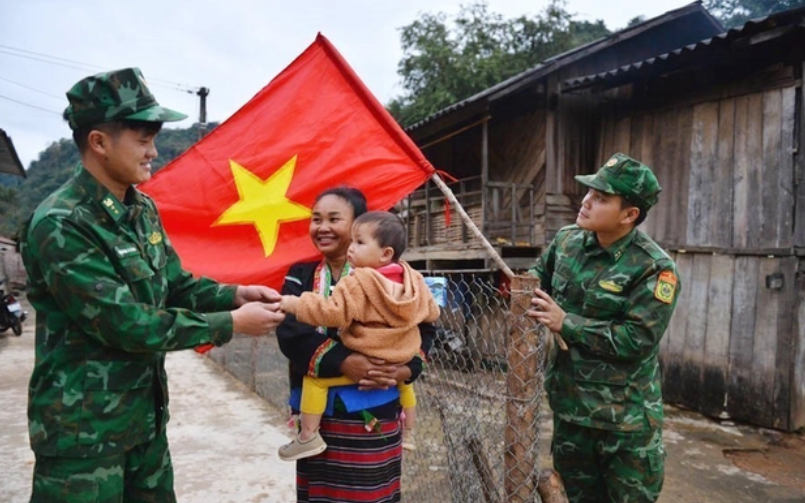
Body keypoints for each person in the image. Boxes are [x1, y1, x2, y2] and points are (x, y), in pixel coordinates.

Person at [19, 67, 286, 503]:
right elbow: (126, 323)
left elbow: (174, 283)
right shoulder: (61, 223)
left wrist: (234, 293)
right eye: (143, 140)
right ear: (99, 143)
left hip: (143, 422)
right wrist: (231, 322)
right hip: (83, 437)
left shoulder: (141, 209)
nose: (154, 152)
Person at [527, 153, 681, 503]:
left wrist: (568, 324)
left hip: (625, 425)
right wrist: (524, 288)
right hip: (571, 414)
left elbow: (637, 339)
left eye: (601, 198)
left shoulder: (654, 268)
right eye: (589, 192)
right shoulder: (567, 242)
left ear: (629, 215)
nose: (586, 201)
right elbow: (540, 276)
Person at [276, 187, 435, 503]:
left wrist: (404, 368)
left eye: (334, 219)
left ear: (356, 225)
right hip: (318, 419)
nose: (322, 227)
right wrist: (346, 362)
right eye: (316, 219)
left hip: (375, 411)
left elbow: (426, 327)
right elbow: (292, 331)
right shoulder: (301, 274)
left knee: (371, 493)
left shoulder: (401, 279)